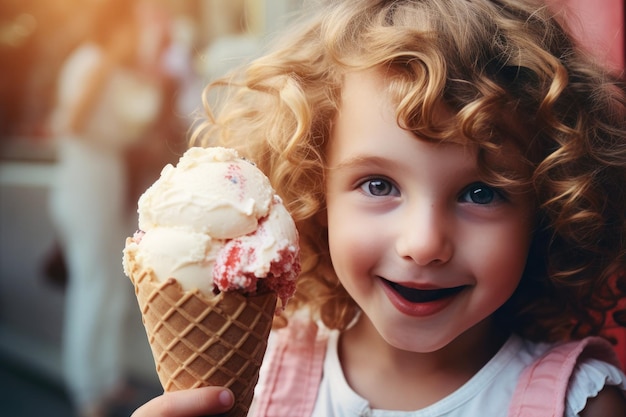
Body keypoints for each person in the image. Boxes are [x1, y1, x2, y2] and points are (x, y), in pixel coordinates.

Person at [132, 0, 626, 416]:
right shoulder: (256, 377)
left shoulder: (580, 403)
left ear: (551, 205)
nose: (424, 243)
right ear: (315, 192)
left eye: (481, 193)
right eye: (377, 184)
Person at [48, 0, 168, 415]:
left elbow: (134, 123)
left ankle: (108, 376)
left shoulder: (114, 66)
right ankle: (86, 389)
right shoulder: (93, 61)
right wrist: (107, 71)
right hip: (87, 183)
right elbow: (72, 121)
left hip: (108, 182)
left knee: (113, 284)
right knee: (93, 284)